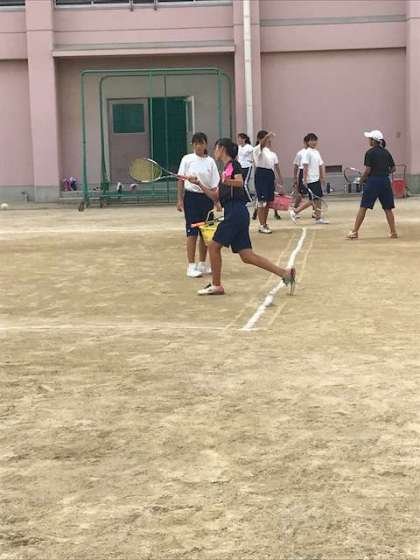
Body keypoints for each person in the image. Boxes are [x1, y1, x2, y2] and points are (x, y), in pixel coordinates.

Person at [186, 137, 295, 296]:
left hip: (235, 213)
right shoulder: (225, 170)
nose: (214, 151)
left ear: (222, 149)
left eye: (216, 148)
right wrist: (199, 184)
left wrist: (226, 180)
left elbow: (239, 182)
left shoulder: (233, 165)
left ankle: (216, 285)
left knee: (214, 247)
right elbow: (215, 197)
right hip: (236, 213)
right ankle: (285, 273)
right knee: (246, 256)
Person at [177, 132, 220, 277]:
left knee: (205, 233)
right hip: (191, 199)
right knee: (192, 232)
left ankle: (202, 263)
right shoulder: (187, 159)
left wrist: (217, 202)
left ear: (205, 144)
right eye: (195, 144)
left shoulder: (211, 162)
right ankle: (191, 266)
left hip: (206, 199)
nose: (198, 146)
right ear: (192, 145)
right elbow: (180, 180)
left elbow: (214, 185)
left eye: (201, 143)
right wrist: (180, 199)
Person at [347, 130, 397, 239]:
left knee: (363, 207)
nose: (368, 140)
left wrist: (361, 180)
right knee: (388, 208)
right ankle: (393, 232)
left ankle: (355, 232)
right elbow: (393, 168)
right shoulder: (386, 152)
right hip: (385, 181)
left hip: (373, 182)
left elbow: (368, 170)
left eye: (369, 139)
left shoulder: (369, 153)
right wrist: (384, 173)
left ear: (373, 141)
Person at [288, 132, 328, 224]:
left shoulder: (317, 152)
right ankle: (295, 212)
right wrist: (305, 179)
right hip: (310, 180)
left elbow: (320, 165)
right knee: (313, 200)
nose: (314, 142)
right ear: (308, 142)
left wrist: (322, 177)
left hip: (316, 179)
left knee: (318, 199)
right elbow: (305, 166)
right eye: (311, 140)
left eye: (315, 140)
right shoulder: (307, 152)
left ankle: (318, 218)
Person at [253, 130, 285, 233]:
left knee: (268, 201)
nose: (268, 140)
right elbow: (262, 144)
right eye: (265, 138)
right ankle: (261, 225)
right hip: (261, 174)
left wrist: (279, 178)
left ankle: (265, 223)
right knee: (262, 201)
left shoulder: (272, 153)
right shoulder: (257, 149)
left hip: (269, 174)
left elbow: (275, 166)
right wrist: (267, 136)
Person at [292, 137, 309, 211]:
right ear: (304, 142)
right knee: (300, 194)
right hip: (302, 172)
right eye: (308, 142)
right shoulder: (300, 153)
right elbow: (296, 166)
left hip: (312, 173)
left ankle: (316, 212)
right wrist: (295, 177)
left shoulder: (314, 152)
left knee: (314, 194)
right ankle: (295, 209)